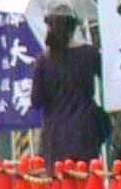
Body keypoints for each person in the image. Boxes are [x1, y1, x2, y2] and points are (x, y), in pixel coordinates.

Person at [33, 12, 104, 165]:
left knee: (59, 176)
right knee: (86, 176)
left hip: (55, 134)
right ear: (73, 28)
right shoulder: (90, 53)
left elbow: (36, 100)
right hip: (86, 130)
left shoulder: (44, 61)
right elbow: (107, 80)